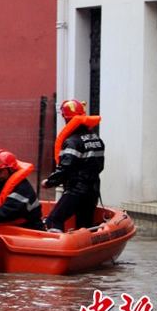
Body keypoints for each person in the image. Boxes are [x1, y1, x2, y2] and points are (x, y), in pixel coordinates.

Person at [42, 99, 104, 231]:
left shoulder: (72, 142)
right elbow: (99, 166)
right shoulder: (96, 139)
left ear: (66, 119)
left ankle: (57, 250)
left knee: (54, 220)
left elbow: (66, 168)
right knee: (84, 226)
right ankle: (85, 251)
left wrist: (49, 182)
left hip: (76, 190)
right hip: (93, 190)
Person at [0, 149, 44, 230]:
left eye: (0, 171)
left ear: (11, 169)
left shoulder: (22, 189)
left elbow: (7, 213)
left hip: (29, 229)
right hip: (10, 227)